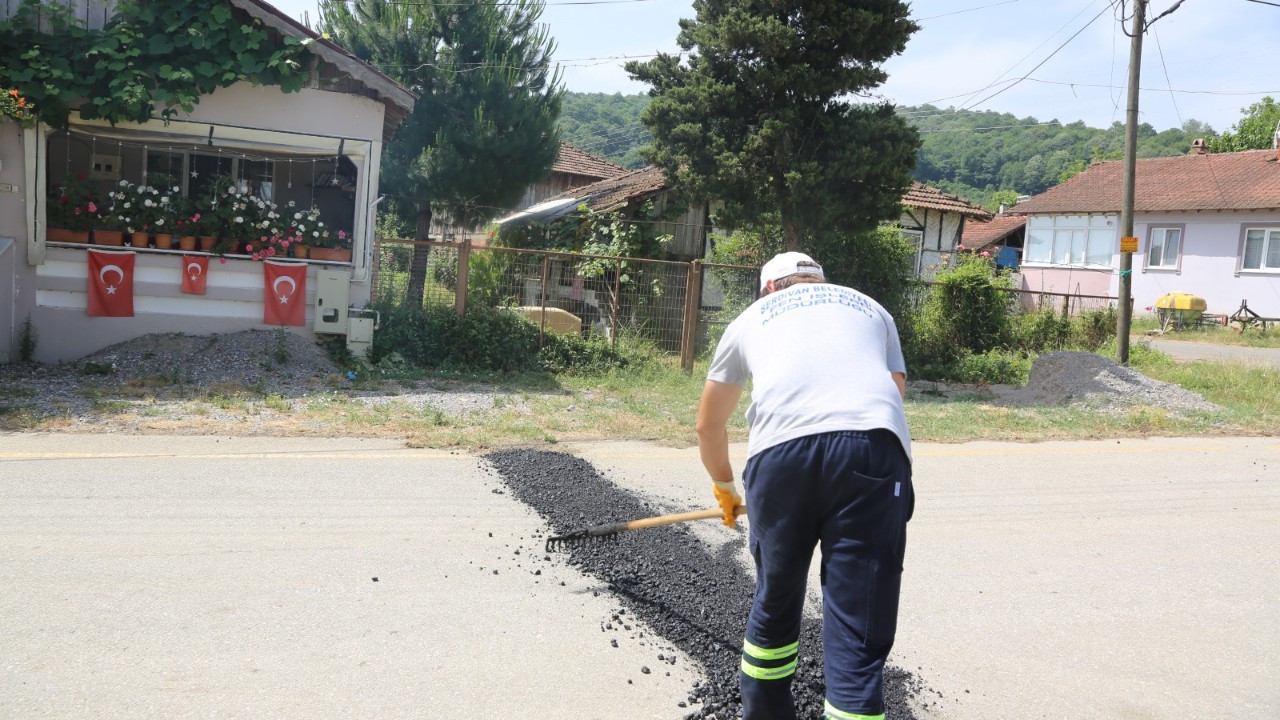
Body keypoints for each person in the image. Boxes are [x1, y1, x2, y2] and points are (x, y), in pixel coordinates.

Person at [695, 251, 914, 720]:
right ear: (820, 282)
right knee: (858, 624)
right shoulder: (871, 308)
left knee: (775, 599)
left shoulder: (751, 318)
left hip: (780, 456)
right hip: (872, 451)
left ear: (769, 288)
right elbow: (894, 391)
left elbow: (708, 425)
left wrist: (726, 489)